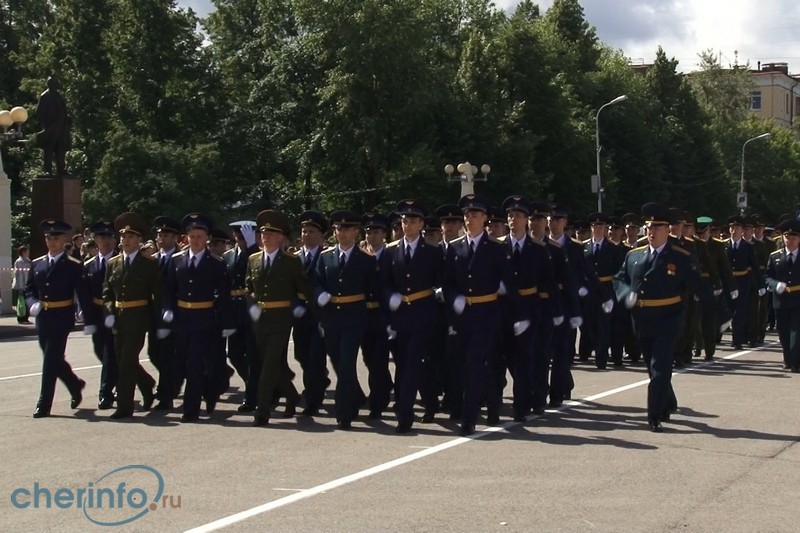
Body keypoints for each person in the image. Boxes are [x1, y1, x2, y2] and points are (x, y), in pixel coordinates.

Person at [613, 203, 710, 432]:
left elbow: (699, 287)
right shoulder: (634, 255)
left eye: (657, 227)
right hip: (642, 319)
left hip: (669, 318)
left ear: (668, 230)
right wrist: (626, 294)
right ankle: (667, 402)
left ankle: (654, 415)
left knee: (660, 366)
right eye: (649, 227)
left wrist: (714, 311)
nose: (651, 232)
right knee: (653, 366)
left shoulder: (681, 256)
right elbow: (619, 279)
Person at [443, 194, 516, 436]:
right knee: (471, 364)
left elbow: (509, 281)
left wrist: (508, 298)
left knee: (475, 362)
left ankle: (470, 416)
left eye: (475, 215)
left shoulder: (497, 248)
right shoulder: (455, 248)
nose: (469, 219)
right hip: (464, 315)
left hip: (488, 314)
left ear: (484, 218)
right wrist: (455, 300)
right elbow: (448, 283)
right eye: (467, 215)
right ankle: (493, 403)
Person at [162, 214, 234, 422]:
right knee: (180, 362)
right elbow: (168, 289)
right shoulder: (177, 261)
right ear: (186, 238)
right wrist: (167, 309)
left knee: (195, 364)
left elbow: (223, 294)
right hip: (182, 318)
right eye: (192, 236)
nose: (195, 240)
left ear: (207, 239)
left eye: (200, 237)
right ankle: (209, 391)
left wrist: (226, 322)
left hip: (204, 319)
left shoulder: (216, 263)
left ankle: (191, 409)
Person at [381, 200, 444, 432]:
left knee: (413, 361)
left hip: (424, 313)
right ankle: (430, 400)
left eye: (413, 221)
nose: (408, 225)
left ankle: (405, 413)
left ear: (421, 224)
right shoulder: (391, 251)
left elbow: (442, 279)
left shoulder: (433, 250)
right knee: (407, 363)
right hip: (400, 315)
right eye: (405, 221)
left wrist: (439, 291)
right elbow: (384, 283)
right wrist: (390, 297)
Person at [313, 211, 378, 430]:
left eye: (347, 229)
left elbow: (373, 289)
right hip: (331, 318)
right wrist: (319, 292)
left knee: (347, 362)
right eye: (338, 229)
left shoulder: (365, 259)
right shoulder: (325, 256)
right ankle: (355, 398)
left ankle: (344, 412)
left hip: (354, 317)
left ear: (356, 232)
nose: (342, 233)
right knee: (338, 363)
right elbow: (314, 281)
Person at [246, 210, 310, 426]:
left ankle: (262, 411)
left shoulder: (291, 261)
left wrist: (302, 307)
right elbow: (248, 288)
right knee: (272, 364)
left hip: (282, 319)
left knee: (269, 365)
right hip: (260, 320)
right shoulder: (253, 260)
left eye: (272, 233)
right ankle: (292, 396)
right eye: (263, 232)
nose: (266, 236)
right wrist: (252, 304)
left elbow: (302, 288)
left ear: (282, 237)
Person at [24, 219, 90, 418]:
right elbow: (29, 290)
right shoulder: (37, 264)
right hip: (43, 317)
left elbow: (83, 292)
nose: (52, 242)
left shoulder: (73, 265)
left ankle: (44, 403)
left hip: (62, 317)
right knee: (52, 358)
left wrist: (87, 316)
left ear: (64, 239)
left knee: (50, 359)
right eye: (48, 238)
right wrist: (32, 302)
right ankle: (74, 383)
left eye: (56, 238)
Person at [100, 213, 161, 419]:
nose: (125, 240)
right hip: (118, 317)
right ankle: (146, 383)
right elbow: (107, 292)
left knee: (126, 362)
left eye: (130, 237)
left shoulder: (149, 264)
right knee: (122, 360)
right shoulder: (113, 263)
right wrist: (108, 311)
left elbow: (157, 294)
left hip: (138, 318)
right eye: (123, 237)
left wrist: (156, 321)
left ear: (139, 240)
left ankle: (125, 407)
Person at [291, 211, 330, 416]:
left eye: (312, 231)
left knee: (316, 356)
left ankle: (313, 400)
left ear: (321, 236)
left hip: (320, 313)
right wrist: (294, 305)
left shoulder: (327, 256)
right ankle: (320, 381)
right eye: (304, 231)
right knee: (301, 354)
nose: (307, 235)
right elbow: (287, 285)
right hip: (300, 314)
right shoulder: (294, 257)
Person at [224, 220, 259, 412]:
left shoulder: (255, 254)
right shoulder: (228, 256)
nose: (240, 240)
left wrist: (252, 246)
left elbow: (256, 269)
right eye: (237, 237)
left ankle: (252, 396)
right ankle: (256, 385)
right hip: (233, 309)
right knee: (235, 354)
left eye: (243, 237)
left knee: (253, 354)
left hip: (251, 307)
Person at [765, 219, 800, 372]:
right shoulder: (775, 256)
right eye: (787, 237)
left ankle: (795, 361)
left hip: (798, 300)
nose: (789, 241)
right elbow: (767, 276)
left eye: (793, 238)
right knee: (783, 332)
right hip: (781, 301)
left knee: (796, 332)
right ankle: (788, 358)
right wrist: (775, 285)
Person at [36, 76, 71, 177]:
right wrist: (45, 128)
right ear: (50, 84)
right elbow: (40, 112)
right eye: (54, 83)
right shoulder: (45, 96)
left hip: (61, 127)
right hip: (51, 126)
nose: (56, 86)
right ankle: (48, 170)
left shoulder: (58, 96)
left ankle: (61, 169)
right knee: (49, 149)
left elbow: (63, 111)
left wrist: (67, 119)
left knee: (61, 148)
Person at [12, 245, 32, 323]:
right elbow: (19, 275)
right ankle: (21, 318)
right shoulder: (19, 262)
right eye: (27, 251)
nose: (28, 253)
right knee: (22, 303)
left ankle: (26, 317)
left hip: (27, 284)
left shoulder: (28, 261)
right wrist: (20, 287)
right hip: (22, 285)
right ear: (23, 252)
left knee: (27, 302)